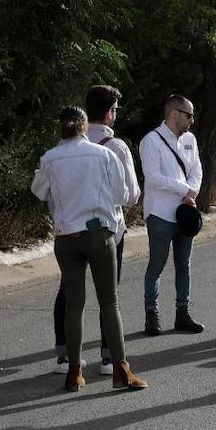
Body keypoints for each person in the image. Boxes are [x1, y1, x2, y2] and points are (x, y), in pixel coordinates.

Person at [32, 106, 147, 392]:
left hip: (66, 236)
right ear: (85, 127)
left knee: (74, 304)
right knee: (109, 302)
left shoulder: (50, 158)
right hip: (98, 233)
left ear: (61, 129)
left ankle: (74, 372)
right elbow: (124, 196)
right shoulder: (104, 155)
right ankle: (121, 369)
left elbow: (39, 191)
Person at [51, 85, 140, 376]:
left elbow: (47, 190)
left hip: (67, 229)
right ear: (109, 111)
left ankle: (66, 358)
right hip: (107, 230)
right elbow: (131, 195)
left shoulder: (61, 148)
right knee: (108, 296)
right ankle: (109, 359)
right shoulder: (116, 147)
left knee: (69, 293)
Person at [139, 94, 205, 336]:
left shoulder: (190, 139)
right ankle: (151, 313)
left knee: (184, 264)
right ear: (174, 113)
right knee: (156, 264)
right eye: (189, 115)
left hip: (185, 211)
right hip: (160, 212)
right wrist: (184, 189)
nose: (191, 120)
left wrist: (192, 192)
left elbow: (197, 169)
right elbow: (153, 177)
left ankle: (182, 313)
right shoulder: (151, 141)